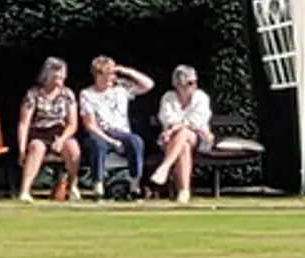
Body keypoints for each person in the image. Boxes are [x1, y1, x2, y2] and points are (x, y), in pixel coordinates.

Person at [78, 56, 154, 198]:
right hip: (100, 132)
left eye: (111, 74)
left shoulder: (121, 89)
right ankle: (98, 184)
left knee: (135, 141)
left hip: (122, 132)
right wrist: (110, 140)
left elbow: (148, 85)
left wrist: (126, 71)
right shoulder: (87, 94)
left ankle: (134, 185)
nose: (110, 78)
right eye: (105, 74)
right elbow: (89, 124)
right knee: (98, 145)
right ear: (97, 75)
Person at [16, 57, 82, 203]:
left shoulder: (67, 95)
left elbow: (72, 124)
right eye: (57, 75)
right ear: (47, 74)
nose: (60, 78)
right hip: (38, 132)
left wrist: (62, 139)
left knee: (73, 148)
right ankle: (25, 190)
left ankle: (72, 186)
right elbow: (24, 123)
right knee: (36, 148)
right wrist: (21, 149)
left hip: (60, 133)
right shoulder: (33, 94)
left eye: (62, 75)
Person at [152, 65, 213, 204]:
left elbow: (196, 122)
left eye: (195, 82)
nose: (194, 85)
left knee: (184, 132)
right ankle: (184, 191)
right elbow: (167, 118)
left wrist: (173, 129)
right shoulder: (168, 97)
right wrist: (174, 129)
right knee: (183, 145)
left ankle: (165, 167)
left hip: (200, 138)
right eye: (189, 83)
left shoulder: (201, 97)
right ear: (178, 85)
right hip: (172, 139)